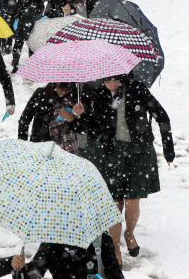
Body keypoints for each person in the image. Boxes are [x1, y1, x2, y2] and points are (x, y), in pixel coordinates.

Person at [73, 75, 175, 264]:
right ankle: (115, 248)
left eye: (116, 80)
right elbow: (93, 128)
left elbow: (161, 115)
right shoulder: (98, 95)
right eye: (108, 81)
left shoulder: (137, 89)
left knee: (133, 200)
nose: (113, 84)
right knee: (115, 202)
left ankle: (129, 233)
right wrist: (82, 115)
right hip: (110, 154)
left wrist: (168, 150)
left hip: (138, 151)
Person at [6, 0, 50, 73]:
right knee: (19, 38)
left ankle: (32, 63)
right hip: (22, 9)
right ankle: (15, 62)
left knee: (33, 37)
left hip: (36, 9)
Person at [18, 82, 83, 154]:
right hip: (39, 146)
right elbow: (24, 120)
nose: (63, 92)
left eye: (66, 90)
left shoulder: (75, 101)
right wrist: (22, 145)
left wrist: (71, 120)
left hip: (64, 151)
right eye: (60, 89)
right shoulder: (41, 94)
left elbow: (82, 130)